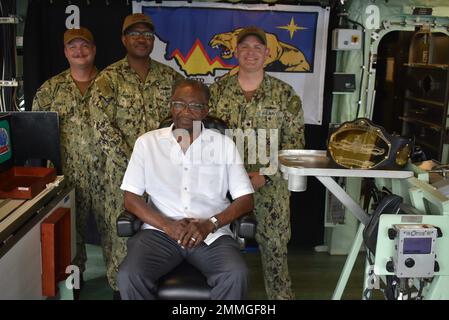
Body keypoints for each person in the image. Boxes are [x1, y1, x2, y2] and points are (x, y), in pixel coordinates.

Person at [117, 79, 254, 300]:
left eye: (195, 106)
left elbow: (245, 199)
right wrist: (167, 225)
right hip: (159, 233)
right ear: (171, 106)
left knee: (236, 274)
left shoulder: (223, 145)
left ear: (206, 111)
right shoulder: (147, 143)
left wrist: (211, 223)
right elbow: (131, 198)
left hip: (211, 234)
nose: (186, 112)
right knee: (129, 275)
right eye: (179, 103)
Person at [89, 13, 183, 296]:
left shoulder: (171, 78)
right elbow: (102, 126)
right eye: (135, 34)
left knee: (162, 231)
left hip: (165, 176)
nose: (142, 39)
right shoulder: (108, 79)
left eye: (147, 34)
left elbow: (187, 120)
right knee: (120, 237)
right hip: (122, 176)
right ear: (124, 39)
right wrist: (135, 164)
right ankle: (122, 291)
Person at [209, 26, 305, 300]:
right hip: (223, 190)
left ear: (267, 54)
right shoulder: (216, 92)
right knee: (217, 250)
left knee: (275, 253)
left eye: (257, 48)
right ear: (236, 52)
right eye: (245, 47)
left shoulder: (285, 95)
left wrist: (266, 175)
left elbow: (294, 145)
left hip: (270, 191)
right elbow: (205, 139)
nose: (251, 53)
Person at [32, 27, 106, 285]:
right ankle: (74, 282)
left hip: (108, 174)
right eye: (72, 47)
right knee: (69, 231)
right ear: (65, 52)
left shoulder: (112, 83)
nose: (79, 51)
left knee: (115, 232)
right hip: (67, 174)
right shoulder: (51, 89)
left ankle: (120, 283)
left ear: (94, 49)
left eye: (85, 46)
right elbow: (35, 134)